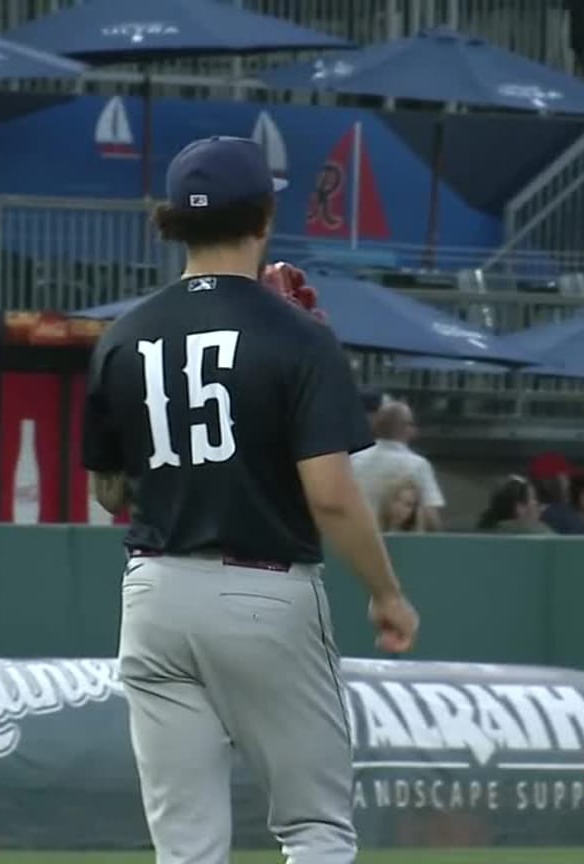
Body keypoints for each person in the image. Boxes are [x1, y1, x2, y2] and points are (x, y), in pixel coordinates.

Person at [81, 135, 418, 864]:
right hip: (264, 591)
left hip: (155, 593)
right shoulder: (295, 336)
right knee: (315, 828)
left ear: (169, 221)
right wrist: (386, 594)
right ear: (265, 215)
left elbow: (108, 489)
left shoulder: (122, 336)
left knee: (188, 850)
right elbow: (331, 498)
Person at [352, 399, 446, 531]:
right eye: (411, 424)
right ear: (405, 428)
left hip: (357, 539)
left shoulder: (353, 461)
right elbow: (430, 514)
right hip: (400, 543)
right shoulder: (418, 465)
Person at [528, 451, 584, 534]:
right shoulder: (565, 516)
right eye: (565, 477)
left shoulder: (525, 514)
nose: (568, 483)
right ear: (555, 480)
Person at [475, 475, 553, 534]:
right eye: (534, 498)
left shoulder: (482, 534)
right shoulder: (540, 534)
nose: (541, 506)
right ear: (520, 507)